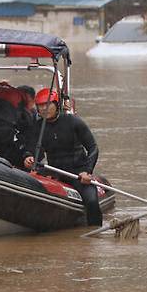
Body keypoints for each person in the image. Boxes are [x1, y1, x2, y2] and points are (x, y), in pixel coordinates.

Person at [23, 88, 102, 226]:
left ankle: (95, 234)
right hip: (54, 171)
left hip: (78, 172)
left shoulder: (74, 122)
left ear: (56, 104)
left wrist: (87, 172)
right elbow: (32, 149)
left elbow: (93, 148)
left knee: (91, 201)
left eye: (47, 105)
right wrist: (28, 158)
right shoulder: (37, 127)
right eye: (40, 106)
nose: (43, 109)